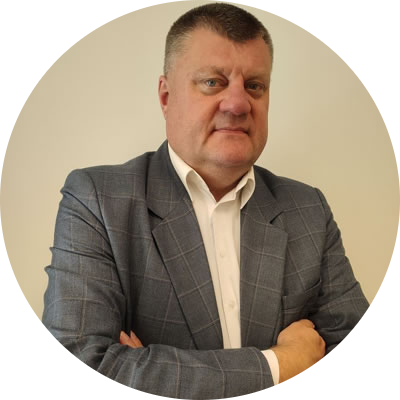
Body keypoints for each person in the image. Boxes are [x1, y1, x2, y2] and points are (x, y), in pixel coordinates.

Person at [42, 3, 369, 398]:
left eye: (255, 86)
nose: (238, 104)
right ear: (166, 96)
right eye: (213, 82)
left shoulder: (308, 209)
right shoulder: (97, 201)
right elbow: (85, 358)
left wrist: (150, 369)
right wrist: (281, 364)